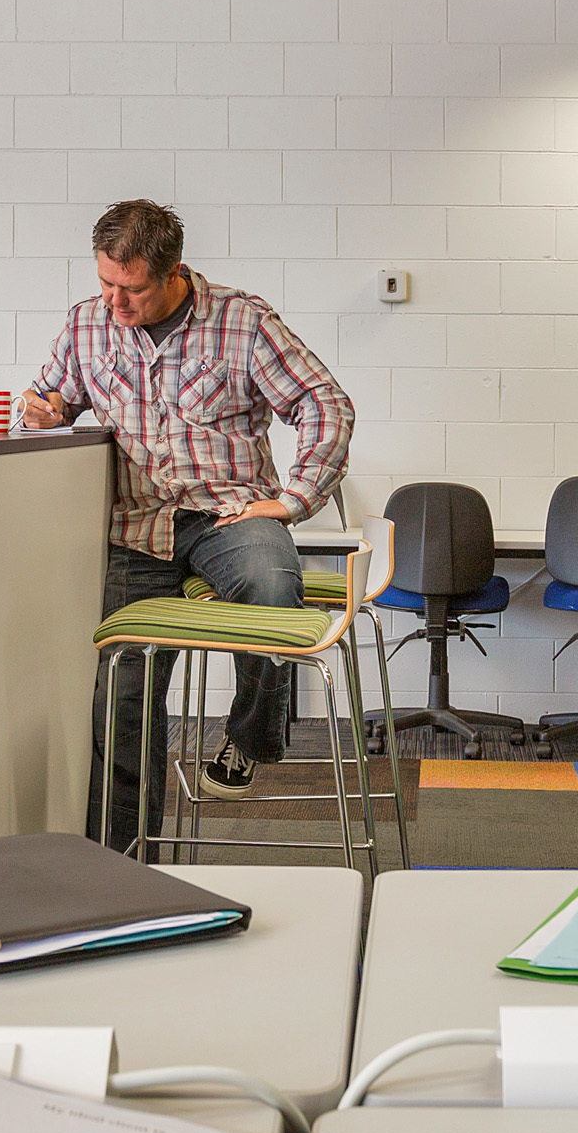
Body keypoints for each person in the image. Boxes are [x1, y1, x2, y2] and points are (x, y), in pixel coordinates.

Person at [20, 199, 354, 851]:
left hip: (229, 513)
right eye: (105, 285)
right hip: (136, 526)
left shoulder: (243, 321)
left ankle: (252, 737)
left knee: (272, 587)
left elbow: (325, 404)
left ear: (172, 274)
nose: (115, 303)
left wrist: (293, 499)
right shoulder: (88, 325)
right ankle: (120, 856)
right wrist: (47, 409)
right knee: (122, 701)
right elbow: (54, 397)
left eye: (133, 289)